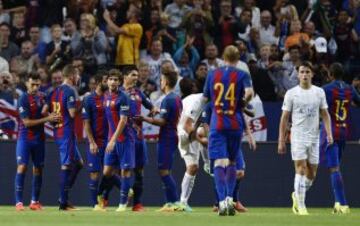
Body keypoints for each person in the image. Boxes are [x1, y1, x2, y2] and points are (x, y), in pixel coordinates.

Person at [202, 45, 254, 216]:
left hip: (218, 123)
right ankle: (230, 200)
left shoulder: (212, 74)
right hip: (235, 124)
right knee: (232, 162)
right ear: (238, 59)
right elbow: (249, 93)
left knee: (218, 163)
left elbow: (205, 98)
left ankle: (223, 201)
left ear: (223, 57)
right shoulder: (242, 75)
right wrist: (242, 103)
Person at [278, 61, 333, 215]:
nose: (304, 75)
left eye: (307, 72)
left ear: (312, 74)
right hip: (297, 136)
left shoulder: (319, 92)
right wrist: (281, 140)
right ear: (298, 74)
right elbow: (284, 118)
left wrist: (329, 133)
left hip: (314, 136)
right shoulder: (291, 93)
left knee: (312, 173)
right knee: (300, 168)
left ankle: (297, 194)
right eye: (302, 72)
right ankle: (301, 206)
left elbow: (325, 115)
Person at [136, 71, 183, 212]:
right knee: (165, 170)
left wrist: (144, 119)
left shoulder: (167, 99)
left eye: (162, 80)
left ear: (166, 82)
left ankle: (174, 202)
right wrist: (156, 113)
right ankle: (170, 202)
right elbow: (168, 116)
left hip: (167, 136)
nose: (160, 82)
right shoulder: (176, 98)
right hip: (172, 134)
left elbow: (162, 122)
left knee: (164, 171)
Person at [15, 72, 61, 211]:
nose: (35, 87)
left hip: (39, 139)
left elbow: (47, 112)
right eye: (32, 84)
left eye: (37, 84)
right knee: (22, 166)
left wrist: (53, 117)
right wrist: (47, 119)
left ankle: (34, 201)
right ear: (27, 83)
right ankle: (18, 203)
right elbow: (27, 122)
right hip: (25, 138)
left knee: (38, 169)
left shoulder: (42, 97)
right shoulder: (22, 99)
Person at [320, 63, 360, 214]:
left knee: (334, 168)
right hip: (344, 131)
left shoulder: (326, 89)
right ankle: (337, 203)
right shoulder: (350, 89)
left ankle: (343, 204)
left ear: (330, 74)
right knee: (336, 167)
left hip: (330, 132)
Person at [45, 65, 84, 211]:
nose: (79, 78)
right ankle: (63, 203)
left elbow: (44, 110)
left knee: (79, 163)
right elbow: (73, 113)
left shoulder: (54, 91)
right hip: (65, 132)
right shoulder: (70, 91)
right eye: (78, 75)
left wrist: (51, 119)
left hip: (60, 132)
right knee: (66, 165)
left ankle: (64, 195)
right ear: (72, 76)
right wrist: (84, 102)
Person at [120, 66, 156, 211]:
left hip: (139, 138)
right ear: (125, 76)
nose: (136, 77)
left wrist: (152, 113)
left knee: (139, 171)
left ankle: (137, 204)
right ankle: (108, 198)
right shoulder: (118, 93)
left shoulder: (138, 93)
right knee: (117, 170)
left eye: (137, 74)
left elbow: (151, 107)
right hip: (123, 137)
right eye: (133, 75)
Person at [102, 69, 134, 212]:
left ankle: (122, 203)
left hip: (124, 139)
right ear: (107, 81)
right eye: (111, 79)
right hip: (111, 139)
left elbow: (123, 120)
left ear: (120, 82)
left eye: (116, 79)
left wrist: (113, 140)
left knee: (125, 170)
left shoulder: (124, 97)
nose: (113, 82)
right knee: (107, 172)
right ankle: (126, 188)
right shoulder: (106, 96)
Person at [177, 80, 210, 212]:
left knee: (193, 167)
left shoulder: (208, 102)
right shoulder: (198, 101)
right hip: (184, 132)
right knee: (192, 166)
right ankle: (182, 202)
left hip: (191, 131)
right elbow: (186, 125)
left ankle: (183, 203)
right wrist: (201, 141)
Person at [82, 73, 108, 211]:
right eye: (105, 80)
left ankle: (107, 195)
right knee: (94, 173)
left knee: (109, 171)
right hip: (95, 141)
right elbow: (86, 123)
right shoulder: (89, 99)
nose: (108, 82)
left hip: (108, 141)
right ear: (98, 82)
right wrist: (92, 142)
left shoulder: (109, 98)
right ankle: (95, 205)